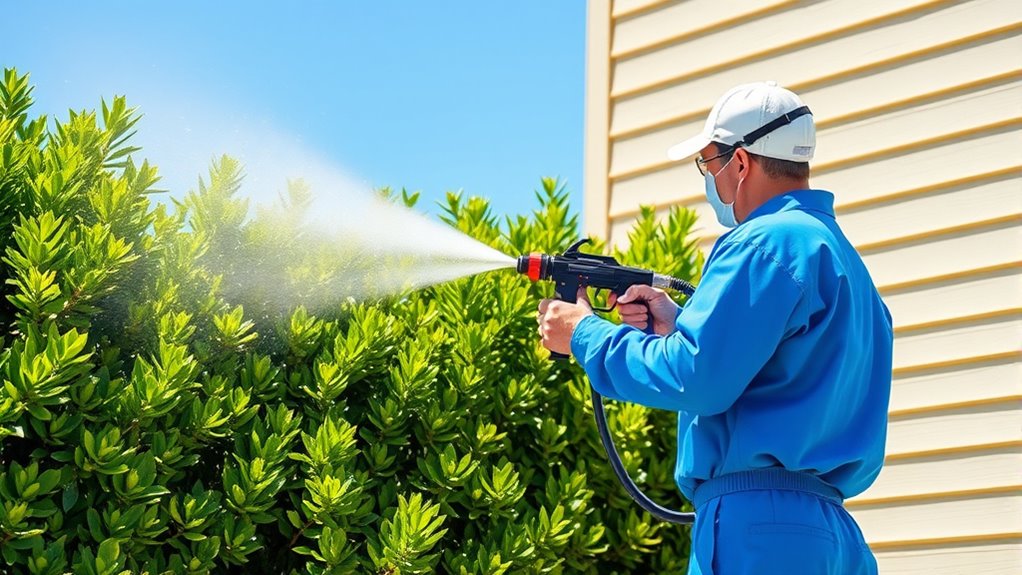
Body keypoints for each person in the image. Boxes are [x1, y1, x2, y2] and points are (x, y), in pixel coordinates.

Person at [537, 81, 893, 574]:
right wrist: (679, 326)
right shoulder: (843, 262)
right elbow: (781, 370)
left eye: (708, 164)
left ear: (741, 163)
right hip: (828, 534)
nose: (709, 180)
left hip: (759, 533)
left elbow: (695, 377)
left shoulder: (763, 242)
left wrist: (582, 333)